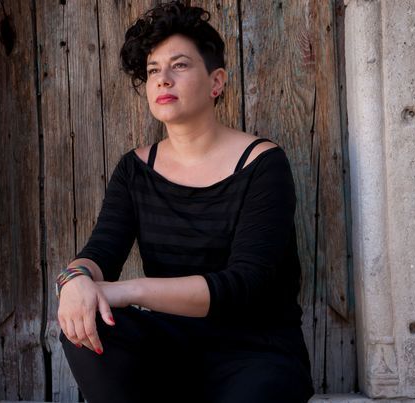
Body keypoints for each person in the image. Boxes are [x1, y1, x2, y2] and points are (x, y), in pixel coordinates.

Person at [55, 2, 315, 402]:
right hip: (171, 351)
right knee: (85, 321)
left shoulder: (263, 164)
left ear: (216, 82)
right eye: (153, 70)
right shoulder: (135, 170)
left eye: (179, 65)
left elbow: (244, 284)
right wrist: (74, 280)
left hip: (255, 353)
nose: (163, 79)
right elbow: (100, 252)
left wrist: (130, 291)